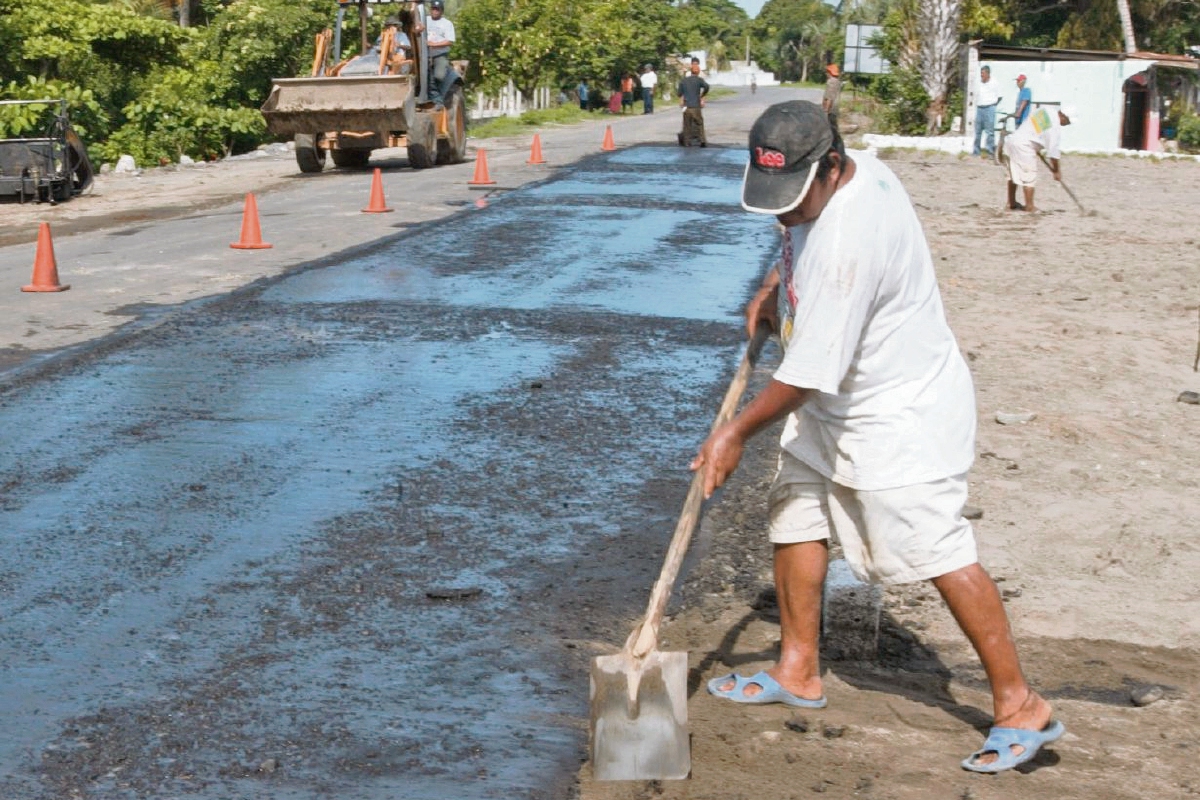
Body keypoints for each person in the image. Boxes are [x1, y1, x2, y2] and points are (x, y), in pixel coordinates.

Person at [696, 100, 1064, 774]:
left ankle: (1020, 703)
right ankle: (798, 668)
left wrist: (733, 432)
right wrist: (779, 285)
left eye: (795, 198)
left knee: (934, 546)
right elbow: (800, 243)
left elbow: (808, 371)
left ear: (830, 169)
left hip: (898, 411)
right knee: (796, 511)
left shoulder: (848, 241)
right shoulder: (858, 170)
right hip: (839, 399)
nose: (784, 212)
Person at [1003, 104, 1073, 212]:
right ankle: (1029, 206)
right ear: (1064, 116)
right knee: (1029, 177)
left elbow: (1035, 128)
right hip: (1024, 146)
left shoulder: (1045, 110)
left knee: (1013, 174)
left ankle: (1011, 203)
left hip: (1012, 141)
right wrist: (1056, 171)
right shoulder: (1055, 125)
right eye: (1068, 122)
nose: (1067, 125)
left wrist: (1036, 146)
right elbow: (1053, 153)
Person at [424, 0, 455, 111]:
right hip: (424, 54)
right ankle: (434, 99)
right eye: (433, 8)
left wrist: (434, 44)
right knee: (424, 77)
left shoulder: (446, 23)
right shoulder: (425, 20)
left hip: (440, 54)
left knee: (438, 76)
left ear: (441, 11)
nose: (435, 11)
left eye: (437, 9)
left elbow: (450, 41)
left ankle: (438, 100)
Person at [677, 57, 710, 147]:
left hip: (687, 106)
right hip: (696, 106)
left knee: (687, 125)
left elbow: (679, 93)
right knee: (699, 123)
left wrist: (682, 98)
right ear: (698, 72)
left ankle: (687, 142)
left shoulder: (684, 80)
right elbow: (707, 87)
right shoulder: (699, 80)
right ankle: (702, 140)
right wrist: (702, 96)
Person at [973, 65, 1000, 157]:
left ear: (988, 74)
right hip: (980, 107)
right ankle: (976, 151)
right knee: (977, 131)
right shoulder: (979, 82)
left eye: (983, 73)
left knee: (990, 131)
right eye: (981, 73)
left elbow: (999, 96)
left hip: (990, 107)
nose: (981, 75)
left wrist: (993, 105)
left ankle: (990, 151)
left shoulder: (994, 83)